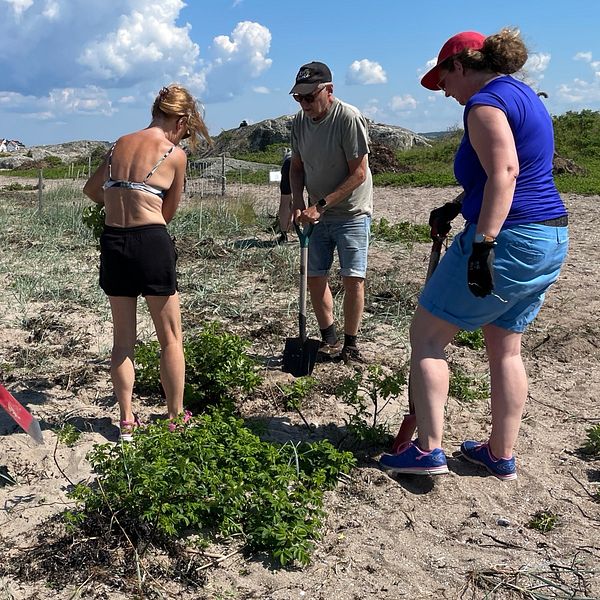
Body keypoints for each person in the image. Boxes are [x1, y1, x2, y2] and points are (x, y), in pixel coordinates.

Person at [379, 29, 568, 480]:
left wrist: (482, 245)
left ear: (459, 66)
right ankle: (499, 454)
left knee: (426, 336)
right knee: (505, 348)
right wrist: (458, 205)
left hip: (510, 237)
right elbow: (500, 175)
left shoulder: (483, 105)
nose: (445, 92)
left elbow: (505, 172)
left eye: (443, 81)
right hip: (550, 238)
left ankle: (428, 452)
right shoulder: (525, 96)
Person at [83, 84, 211, 441]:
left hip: (113, 243)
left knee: (123, 341)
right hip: (150, 242)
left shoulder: (119, 144)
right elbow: (167, 212)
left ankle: (126, 420)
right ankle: (175, 418)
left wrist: (119, 202)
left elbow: (92, 191)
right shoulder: (174, 153)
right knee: (170, 338)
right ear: (181, 119)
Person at [289, 61, 373, 363]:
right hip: (315, 214)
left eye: (310, 97)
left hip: (351, 213)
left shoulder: (348, 118)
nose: (305, 104)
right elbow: (296, 167)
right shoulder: (299, 123)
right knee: (314, 276)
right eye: (299, 98)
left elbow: (359, 173)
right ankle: (329, 338)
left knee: (353, 279)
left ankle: (351, 345)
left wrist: (320, 205)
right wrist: (297, 202)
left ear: (329, 91)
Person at [276, 147, 293, 244]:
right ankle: (312, 232)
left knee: (285, 200)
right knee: (313, 196)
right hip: (307, 160)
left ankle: (283, 234)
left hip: (289, 161)